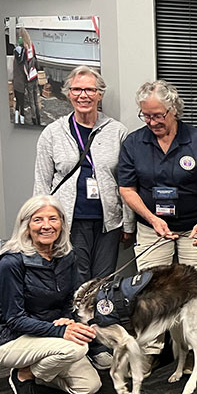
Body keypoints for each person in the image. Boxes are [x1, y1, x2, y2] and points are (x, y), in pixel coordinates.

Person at [34, 66, 134, 370]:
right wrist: (41, 225)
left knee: (103, 285)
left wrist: (128, 223)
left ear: (100, 94)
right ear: (68, 94)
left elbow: (126, 182)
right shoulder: (53, 132)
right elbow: (42, 182)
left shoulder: (116, 131)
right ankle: (80, 343)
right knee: (76, 284)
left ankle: (101, 343)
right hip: (69, 224)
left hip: (107, 222)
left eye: (90, 90)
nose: (83, 95)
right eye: (77, 90)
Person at [0, 195, 101, 394]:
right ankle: (24, 374)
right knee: (76, 349)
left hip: (48, 331)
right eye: (38, 220)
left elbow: (69, 301)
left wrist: (66, 320)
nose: (46, 226)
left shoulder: (67, 256)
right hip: (11, 337)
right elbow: (14, 319)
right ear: (26, 226)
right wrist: (61, 332)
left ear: (62, 223)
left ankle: (42, 367)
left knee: (88, 387)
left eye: (53, 219)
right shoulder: (11, 262)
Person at [118, 80, 197, 271]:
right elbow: (127, 188)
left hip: (194, 226)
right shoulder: (133, 143)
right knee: (152, 287)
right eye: (146, 116)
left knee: (193, 288)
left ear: (173, 109)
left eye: (158, 115)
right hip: (152, 227)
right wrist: (151, 219)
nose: (152, 122)